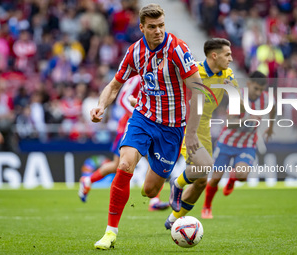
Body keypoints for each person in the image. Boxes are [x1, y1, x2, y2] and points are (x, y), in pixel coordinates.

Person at [90, 4, 203, 250]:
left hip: (173, 128)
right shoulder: (134, 52)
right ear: (142, 28)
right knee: (124, 164)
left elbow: (197, 88)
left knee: (150, 191)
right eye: (152, 27)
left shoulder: (177, 48)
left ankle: (169, 186)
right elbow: (113, 85)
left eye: (161, 25)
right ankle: (110, 233)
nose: (158, 31)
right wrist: (101, 105)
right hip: (143, 117)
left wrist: (193, 129)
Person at [165, 38, 239, 229]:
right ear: (214, 56)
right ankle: (178, 182)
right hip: (185, 125)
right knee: (205, 167)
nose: (231, 58)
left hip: (204, 126)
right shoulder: (193, 72)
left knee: (201, 182)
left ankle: (174, 220)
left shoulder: (227, 74)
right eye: (227, 54)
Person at [78, 75, 169, 211]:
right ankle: (88, 180)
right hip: (130, 127)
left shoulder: (157, 79)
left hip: (146, 127)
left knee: (154, 161)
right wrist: (141, 117)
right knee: (118, 165)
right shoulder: (137, 78)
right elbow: (122, 100)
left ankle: (154, 200)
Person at [202, 70, 276, 218]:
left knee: (242, 175)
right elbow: (229, 123)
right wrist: (247, 120)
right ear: (249, 84)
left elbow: (273, 109)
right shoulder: (238, 97)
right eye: (256, 89)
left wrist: (270, 128)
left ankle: (232, 179)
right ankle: (207, 207)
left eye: (261, 90)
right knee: (215, 178)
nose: (258, 92)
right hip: (227, 142)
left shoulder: (266, 99)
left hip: (247, 143)